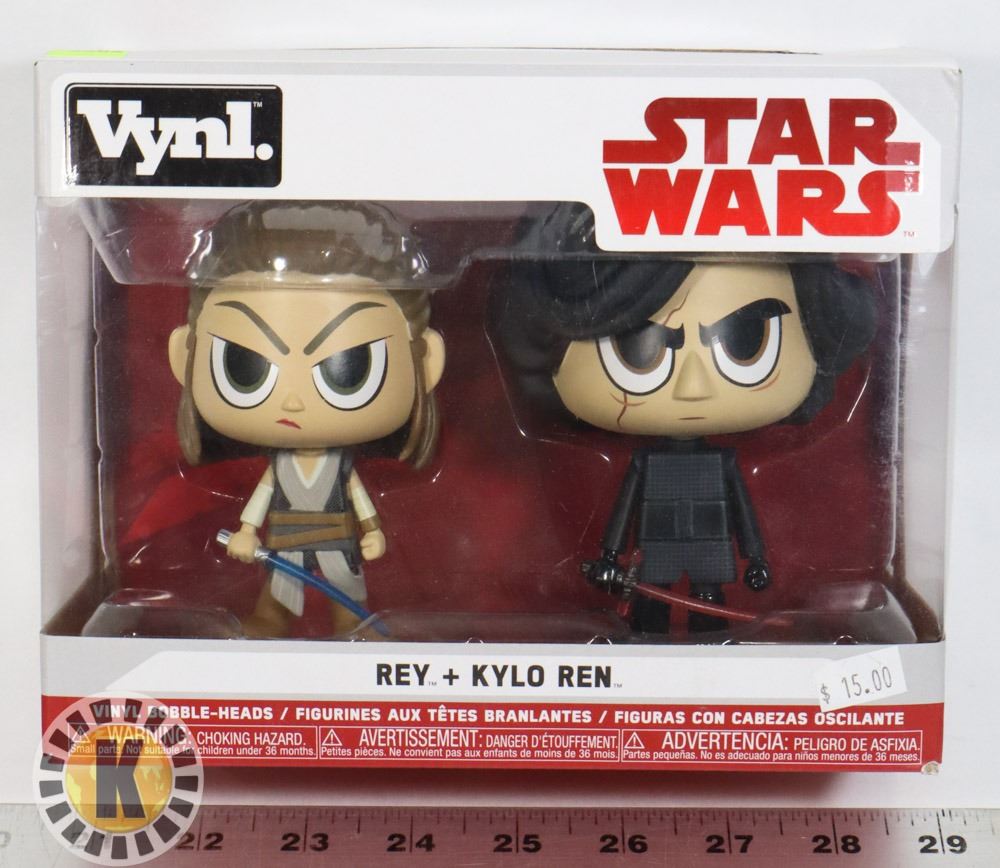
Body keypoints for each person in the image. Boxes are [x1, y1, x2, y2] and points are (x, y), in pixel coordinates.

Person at [499, 204, 876, 634]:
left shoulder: (719, 466)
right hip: (657, 548)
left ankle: (709, 650)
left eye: (746, 340)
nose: (692, 388)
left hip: (709, 548)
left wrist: (755, 556)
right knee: (651, 606)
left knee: (709, 606)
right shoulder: (648, 466)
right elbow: (625, 510)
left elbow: (742, 512)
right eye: (636, 350)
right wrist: (610, 556)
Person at [168, 201, 445, 637]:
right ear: (184, 355)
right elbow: (264, 495)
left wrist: (372, 529)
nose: (294, 402)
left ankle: (351, 624)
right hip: (286, 539)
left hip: (336, 537)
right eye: (243, 366)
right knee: (279, 593)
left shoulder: (340, 467)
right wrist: (247, 530)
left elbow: (357, 497)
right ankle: (272, 621)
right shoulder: (281, 467)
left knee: (345, 593)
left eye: (350, 368)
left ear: (426, 365)